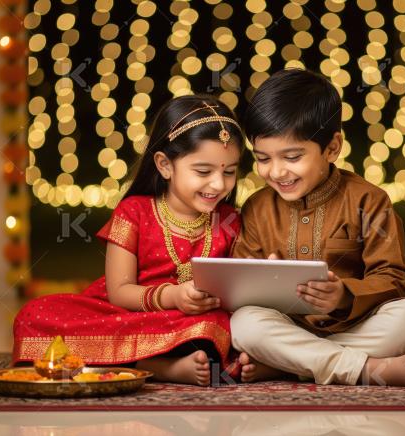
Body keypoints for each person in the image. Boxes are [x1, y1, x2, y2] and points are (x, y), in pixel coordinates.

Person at [13, 95, 244, 386]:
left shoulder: (229, 220)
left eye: (230, 172)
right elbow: (119, 292)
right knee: (33, 315)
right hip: (128, 316)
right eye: (203, 171)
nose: (219, 184)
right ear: (164, 165)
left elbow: (239, 288)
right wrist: (172, 297)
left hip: (194, 323)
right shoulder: (134, 211)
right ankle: (155, 365)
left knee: (219, 325)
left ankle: (147, 361)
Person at [230, 68, 405, 388]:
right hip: (286, 326)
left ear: (332, 148)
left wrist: (344, 295)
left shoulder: (370, 200)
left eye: (292, 156)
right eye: (263, 158)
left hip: (357, 326)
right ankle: (364, 368)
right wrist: (262, 280)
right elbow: (241, 287)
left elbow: (395, 279)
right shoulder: (258, 208)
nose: (276, 171)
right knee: (244, 325)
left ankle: (291, 365)